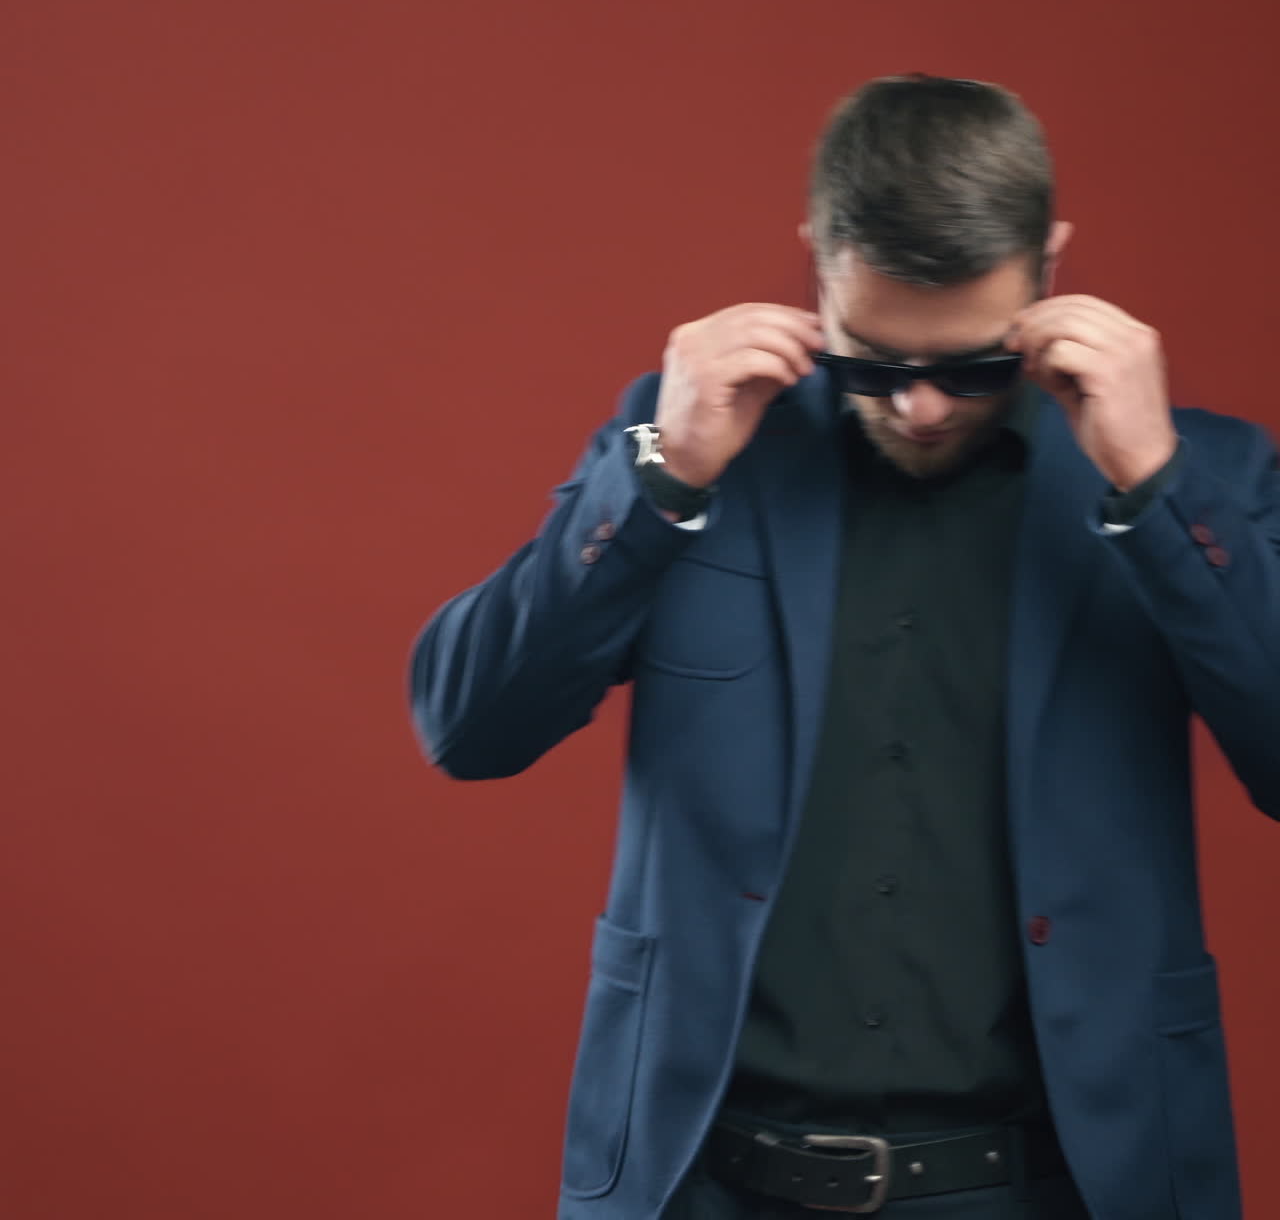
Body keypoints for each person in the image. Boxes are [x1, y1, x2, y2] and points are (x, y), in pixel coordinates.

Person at [408, 75, 1280, 1219]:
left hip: (1054, 1186)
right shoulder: (693, 444)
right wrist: (660, 474)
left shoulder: (1191, 475)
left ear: (1048, 268)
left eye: (968, 366)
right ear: (818, 261)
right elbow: (469, 727)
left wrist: (1156, 489)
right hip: (706, 1181)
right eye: (873, 363)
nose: (919, 406)